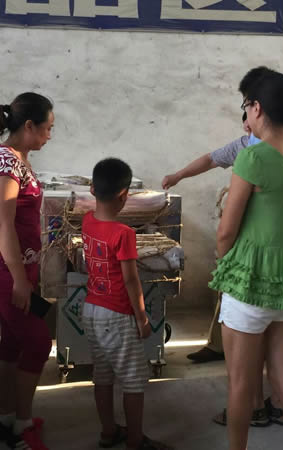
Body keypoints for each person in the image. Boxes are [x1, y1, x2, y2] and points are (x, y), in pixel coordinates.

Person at [209, 67, 283, 450]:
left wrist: (225, 270)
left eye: (245, 106)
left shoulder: (253, 158)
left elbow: (226, 231)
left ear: (256, 107)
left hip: (251, 282)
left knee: (241, 384)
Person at [0, 92, 54, 450]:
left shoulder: (17, 159)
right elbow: (1, 224)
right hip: (8, 269)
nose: (50, 136)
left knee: (12, 341)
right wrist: (19, 280)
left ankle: (6, 419)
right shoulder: (6, 163)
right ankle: (21, 426)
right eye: (47, 128)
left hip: (19, 266)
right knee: (38, 342)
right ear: (29, 126)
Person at [81, 158, 173, 450]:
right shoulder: (124, 234)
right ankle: (135, 440)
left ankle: (108, 432)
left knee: (102, 375)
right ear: (124, 196)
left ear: (92, 189)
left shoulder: (87, 221)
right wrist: (142, 318)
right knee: (133, 380)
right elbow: (132, 281)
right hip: (117, 315)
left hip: (91, 310)